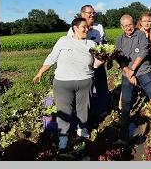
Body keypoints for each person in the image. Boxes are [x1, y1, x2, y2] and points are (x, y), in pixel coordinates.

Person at [33, 18, 104, 151]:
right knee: (64, 112)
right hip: (63, 83)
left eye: (87, 27)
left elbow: (95, 64)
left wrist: (103, 60)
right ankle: (63, 138)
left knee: (84, 109)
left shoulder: (91, 44)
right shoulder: (63, 40)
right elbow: (52, 57)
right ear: (74, 28)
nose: (86, 29)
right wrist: (40, 72)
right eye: (83, 27)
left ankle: (82, 130)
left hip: (85, 81)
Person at [115, 14, 151, 143]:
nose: (128, 28)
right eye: (125, 26)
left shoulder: (140, 35)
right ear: (121, 27)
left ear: (134, 23)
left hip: (143, 71)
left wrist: (133, 69)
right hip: (127, 74)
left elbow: (143, 52)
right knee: (126, 100)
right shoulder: (119, 40)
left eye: (130, 25)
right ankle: (124, 133)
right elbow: (119, 58)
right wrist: (128, 71)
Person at [67, 5, 110, 123]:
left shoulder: (99, 27)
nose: (92, 15)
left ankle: (102, 112)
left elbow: (104, 42)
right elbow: (69, 47)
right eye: (89, 13)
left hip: (98, 65)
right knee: (85, 91)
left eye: (93, 12)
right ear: (82, 14)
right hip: (83, 67)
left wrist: (107, 55)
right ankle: (85, 116)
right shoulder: (73, 29)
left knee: (102, 88)